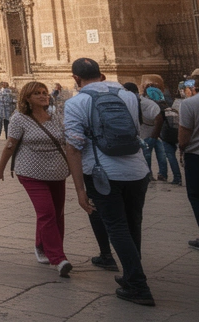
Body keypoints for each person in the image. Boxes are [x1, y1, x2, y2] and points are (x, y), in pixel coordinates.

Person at [61, 58, 153, 306]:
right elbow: (137, 128)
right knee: (133, 224)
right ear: (101, 75)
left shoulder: (76, 102)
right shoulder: (128, 95)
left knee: (116, 227)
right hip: (137, 170)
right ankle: (132, 274)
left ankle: (138, 285)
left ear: (75, 79)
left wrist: (80, 190)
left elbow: (74, 148)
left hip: (103, 174)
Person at [0, 81, 72, 276]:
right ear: (27, 98)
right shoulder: (19, 118)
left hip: (56, 171)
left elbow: (65, 141)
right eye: (37, 93)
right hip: (30, 172)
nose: (43, 95)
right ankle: (58, 258)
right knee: (46, 212)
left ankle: (41, 246)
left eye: (45, 92)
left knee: (56, 212)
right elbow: (10, 145)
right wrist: (0, 170)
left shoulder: (54, 116)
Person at [176, 73, 199, 249]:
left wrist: (181, 150)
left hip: (195, 157)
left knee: (196, 196)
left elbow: (184, 136)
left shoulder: (189, 104)